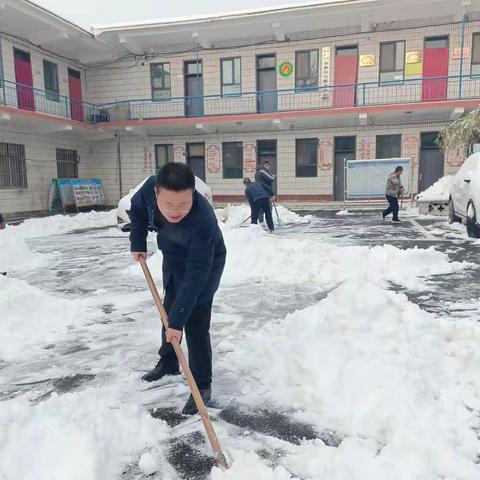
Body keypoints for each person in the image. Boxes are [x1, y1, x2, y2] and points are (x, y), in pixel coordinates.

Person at [129, 163, 227, 415]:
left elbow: (196, 276)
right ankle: (170, 361)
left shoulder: (203, 220)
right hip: (172, 254)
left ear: (193, 194)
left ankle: (202, 385)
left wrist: (178, 322)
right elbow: (137, 210)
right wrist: (137, 242)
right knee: (170, 305)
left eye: (183, 205)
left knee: (193, 317)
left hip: (205, 262)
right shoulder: (150, 188)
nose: (175, 211)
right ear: (157, 194)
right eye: (168, 205)